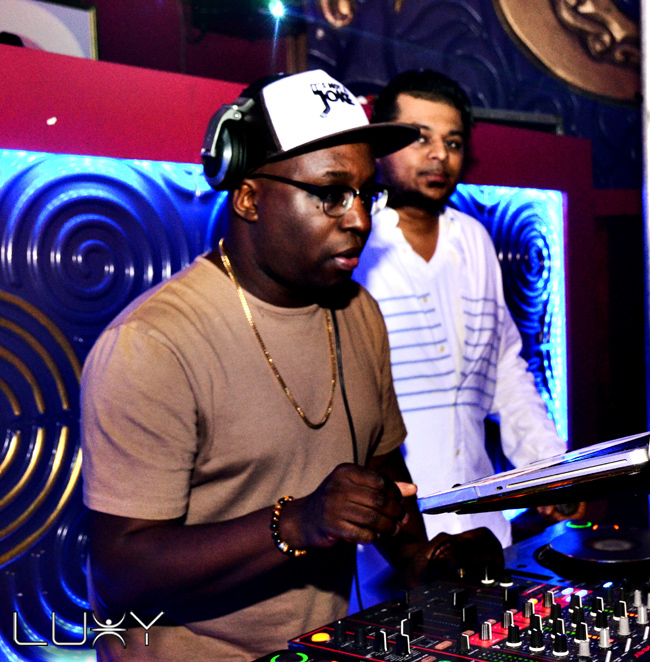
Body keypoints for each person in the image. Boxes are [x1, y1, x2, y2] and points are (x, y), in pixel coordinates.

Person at [81, 70, 499, 662]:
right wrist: (296, 523)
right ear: (249, 197)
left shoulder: (358, 312)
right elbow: (121, 573)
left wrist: (424, 560)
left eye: (366, 194)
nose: (359, 219)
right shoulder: (153, 343)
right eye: (331, 194)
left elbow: (383, 477)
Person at [353, 70, 570, 547]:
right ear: (381, 147)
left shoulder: (474, 239)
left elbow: (505, 373)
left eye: (452, 142)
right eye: (420, 138)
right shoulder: (355, 245)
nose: (439, 155)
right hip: (391, 543)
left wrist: (550, 467)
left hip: (484, 532)